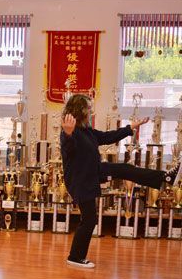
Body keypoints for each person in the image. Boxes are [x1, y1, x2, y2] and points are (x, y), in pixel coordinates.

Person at [60, 94, 181, 269]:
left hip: (93, 171)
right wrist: (68, 134)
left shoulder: (87, 131)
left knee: (126, 169)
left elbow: (108, 137)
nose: (91, 111)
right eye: (89, 108)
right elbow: (67, 149)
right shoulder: (69, 133)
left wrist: (130, 127)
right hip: (80, 181)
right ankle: (75, 257)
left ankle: (165, 177)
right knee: (89, 220)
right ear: (80, 110)